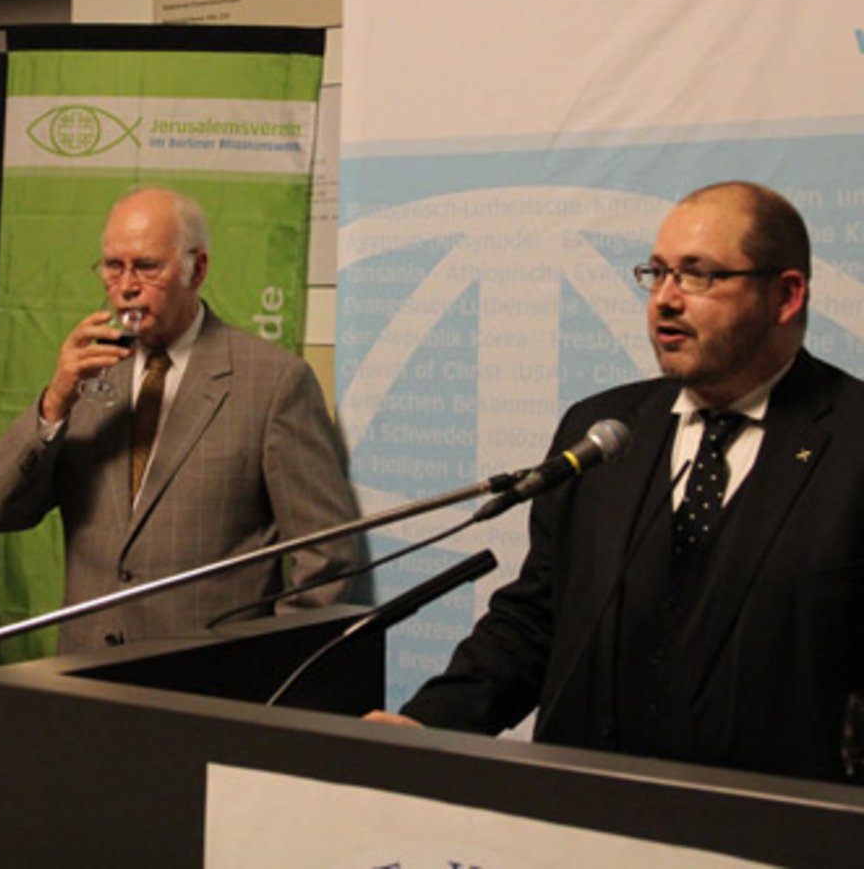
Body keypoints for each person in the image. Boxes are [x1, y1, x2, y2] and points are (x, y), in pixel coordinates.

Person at [368, 180, 864, 782]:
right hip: (583, 807)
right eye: (657, 273)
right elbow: (538, 617)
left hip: (773, 818)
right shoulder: (604, 431)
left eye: (698, 275)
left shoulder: (852, 441)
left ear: (785, 295)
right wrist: (430, 725)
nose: (665, 300)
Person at [0, 186, 362, 652]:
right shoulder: (88, 377)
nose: (126, 286)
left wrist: (268, 666)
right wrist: (55, 402)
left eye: (146, 267)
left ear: (196, 269)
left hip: (204, 680)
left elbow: (327, 557)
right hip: (83, 674)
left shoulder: (273, 384)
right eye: (113, 266)